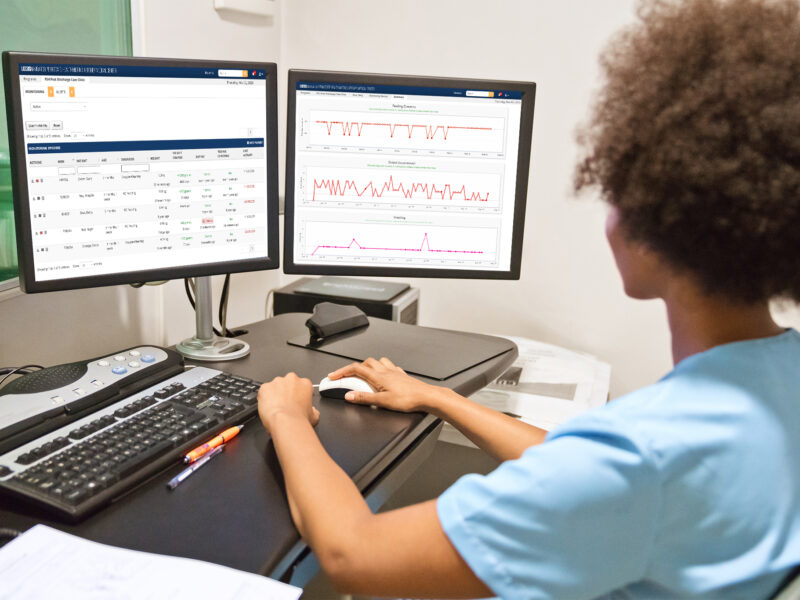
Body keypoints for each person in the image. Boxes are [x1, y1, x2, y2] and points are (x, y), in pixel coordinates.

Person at [256, 0, 800, 597]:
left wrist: (286, 417)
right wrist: (441, 399)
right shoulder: (779, 378)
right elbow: (583, 464)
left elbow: (351, 553)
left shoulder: (642, 461)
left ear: (658, 225)